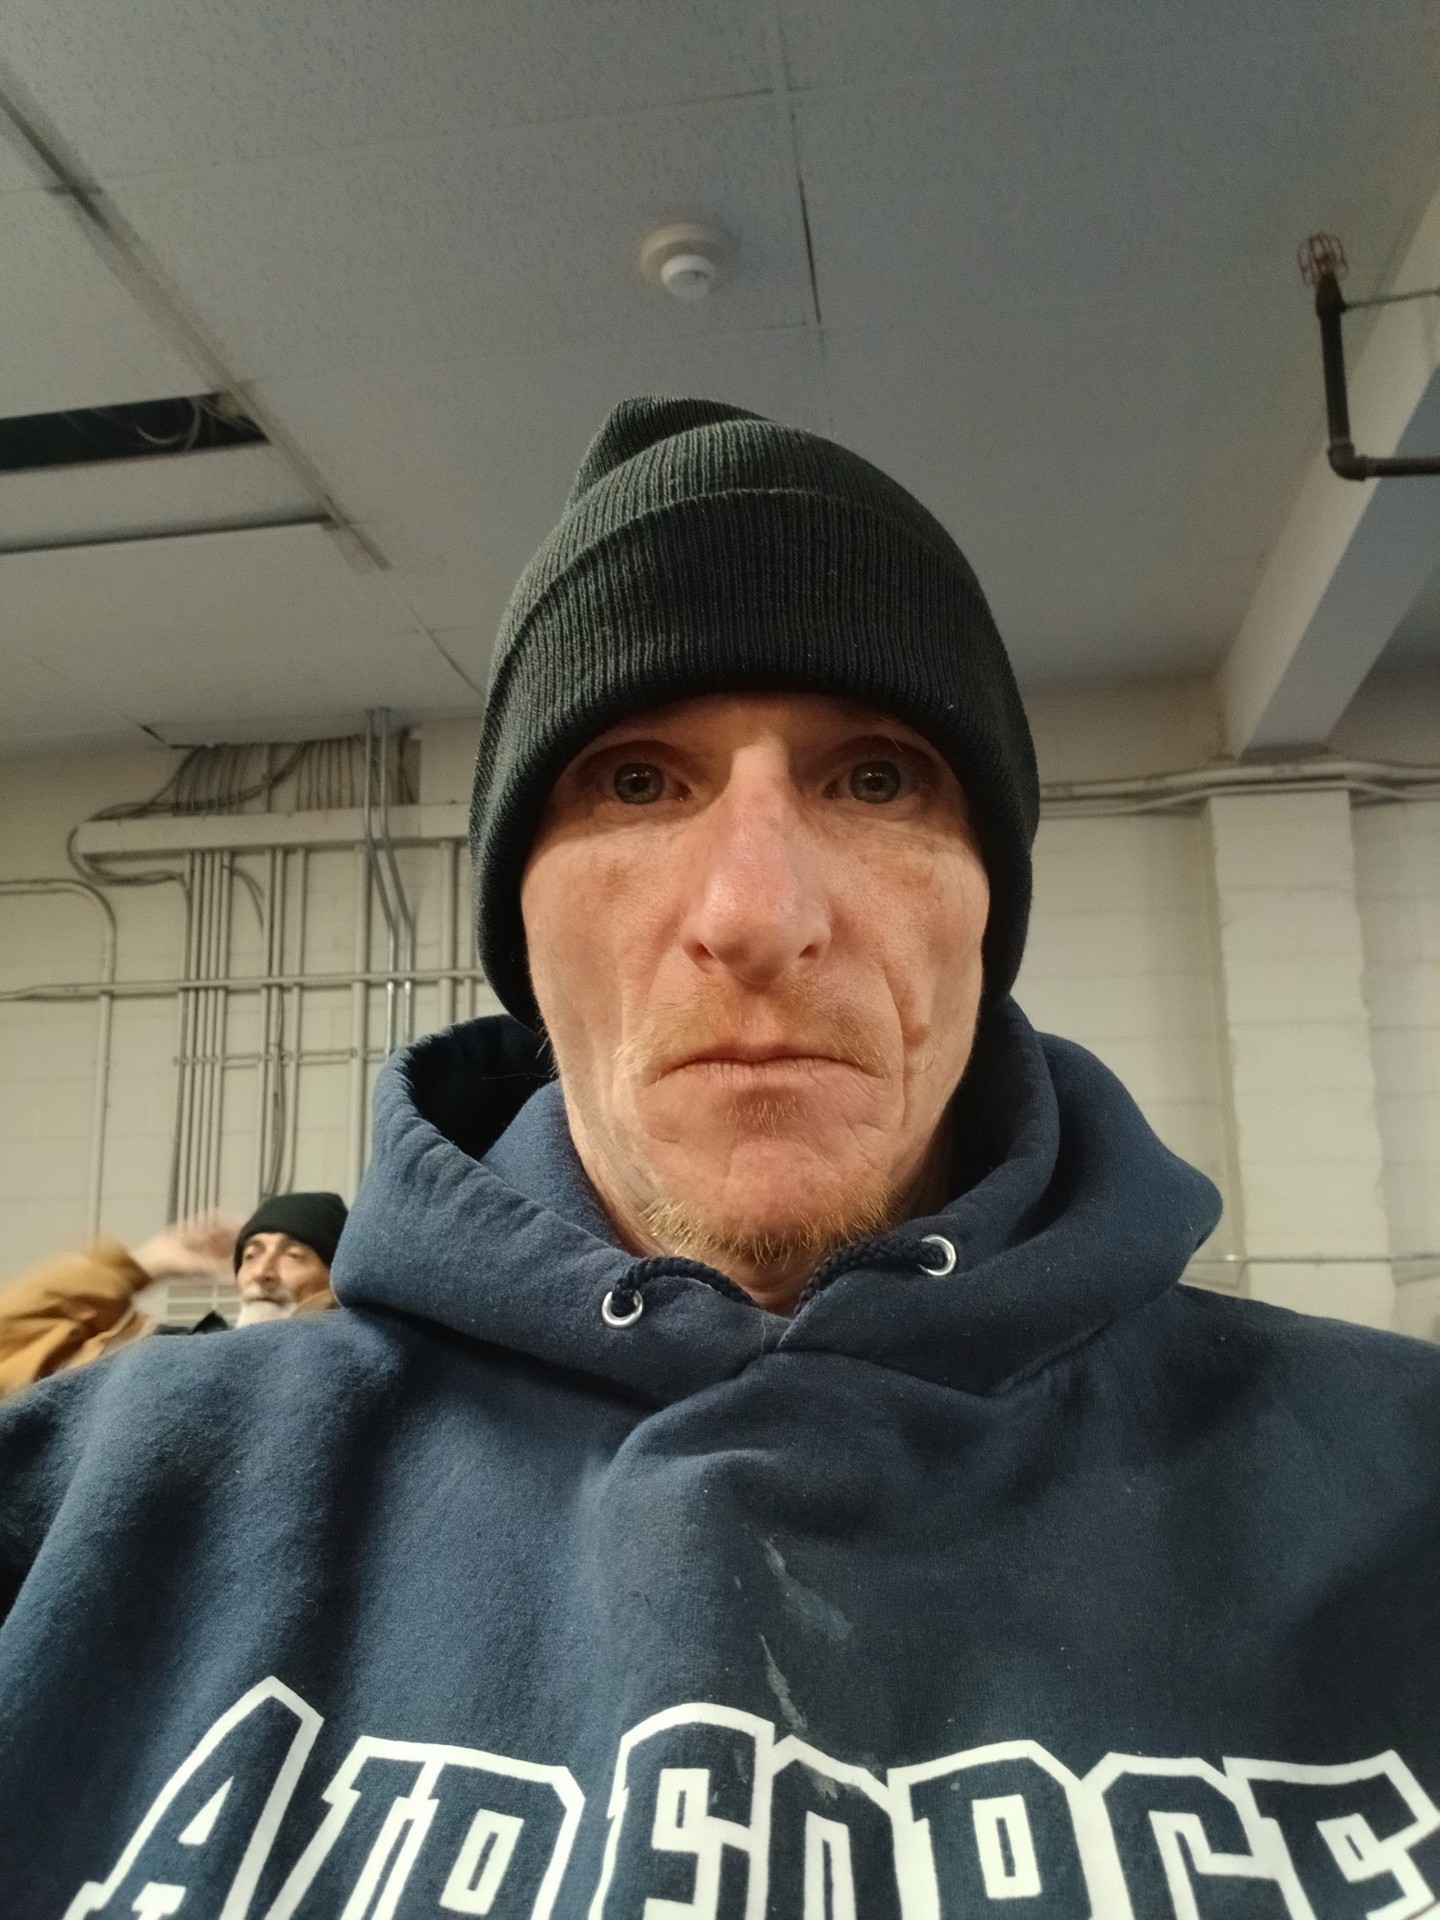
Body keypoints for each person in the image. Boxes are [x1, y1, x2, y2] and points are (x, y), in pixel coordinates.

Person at [1, 399, 1438, 1918]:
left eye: (875, 780)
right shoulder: (88, 1510)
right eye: (637, 782)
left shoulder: (1399, 1484)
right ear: (522, 928)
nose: (757, 914)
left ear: (987, 905)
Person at [0, 1192, 344, 1397]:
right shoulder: (159, 1354)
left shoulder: (345, 1374)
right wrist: (146, 1264)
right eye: (251, 1255)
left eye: (293, 1256)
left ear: (335, 1276)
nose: (261, 1272)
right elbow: (12, 1346)